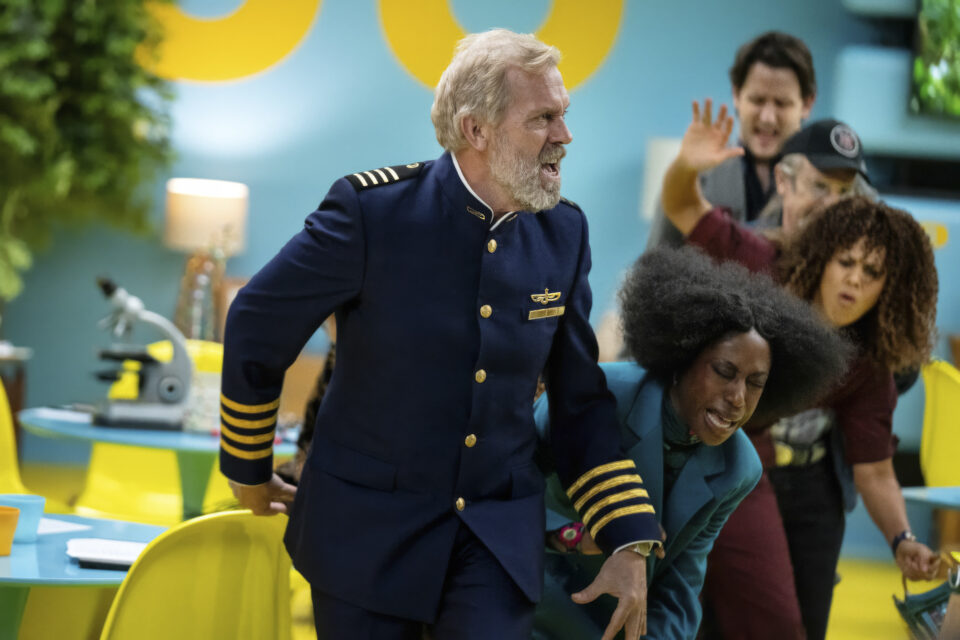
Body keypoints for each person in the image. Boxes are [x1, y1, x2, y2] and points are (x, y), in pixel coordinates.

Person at [219, 29, 661, 640]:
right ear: (476, 129)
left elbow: (579, 401)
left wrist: (628, 536)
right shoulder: (372, 212)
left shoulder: (564, 234)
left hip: (494, 537)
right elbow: (256, 320)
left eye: (563, 114)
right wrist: (247, 466)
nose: (564, 135)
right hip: (365, 533)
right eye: (542, 117)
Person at [661, 100, 941, 639]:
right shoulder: (758, 258)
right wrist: (686, 166)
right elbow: (682, 204)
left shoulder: (867, 352)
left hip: (796, 479)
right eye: (846, 263)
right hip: (706, 457)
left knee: (793, 623)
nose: (854, 279)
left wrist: (903, 539)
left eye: (871, 272)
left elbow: (875, 468)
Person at [530, 247, 850, 640]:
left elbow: (680, 584)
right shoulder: (599, 393)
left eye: (755, 383)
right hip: (525, 605)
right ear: (682, 359)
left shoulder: (740, 467)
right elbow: (502, 490)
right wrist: (575, 537)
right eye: (724, 371)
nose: (738, 397)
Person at [647, 31, 817, 248]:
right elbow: (655, 262)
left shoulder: (824, 187)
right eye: (757, 100)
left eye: (781, 103)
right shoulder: (694, 180)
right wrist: (684, 169)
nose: (767, 117)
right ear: (736, 95)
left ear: (807, 104)